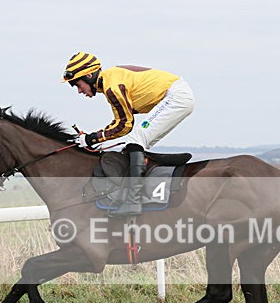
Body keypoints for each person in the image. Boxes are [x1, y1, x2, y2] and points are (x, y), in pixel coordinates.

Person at [62, 52, 195, 216]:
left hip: (176, 96)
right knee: (134, 144)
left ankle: (133, 201)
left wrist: (91, 138)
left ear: (89, 75)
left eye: (77, 84)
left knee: (135, 141)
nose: (79, 91)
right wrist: (96, 137)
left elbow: (125, 125)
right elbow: (119, 121)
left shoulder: (112, 87)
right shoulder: (110, 82)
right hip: (177, 95)